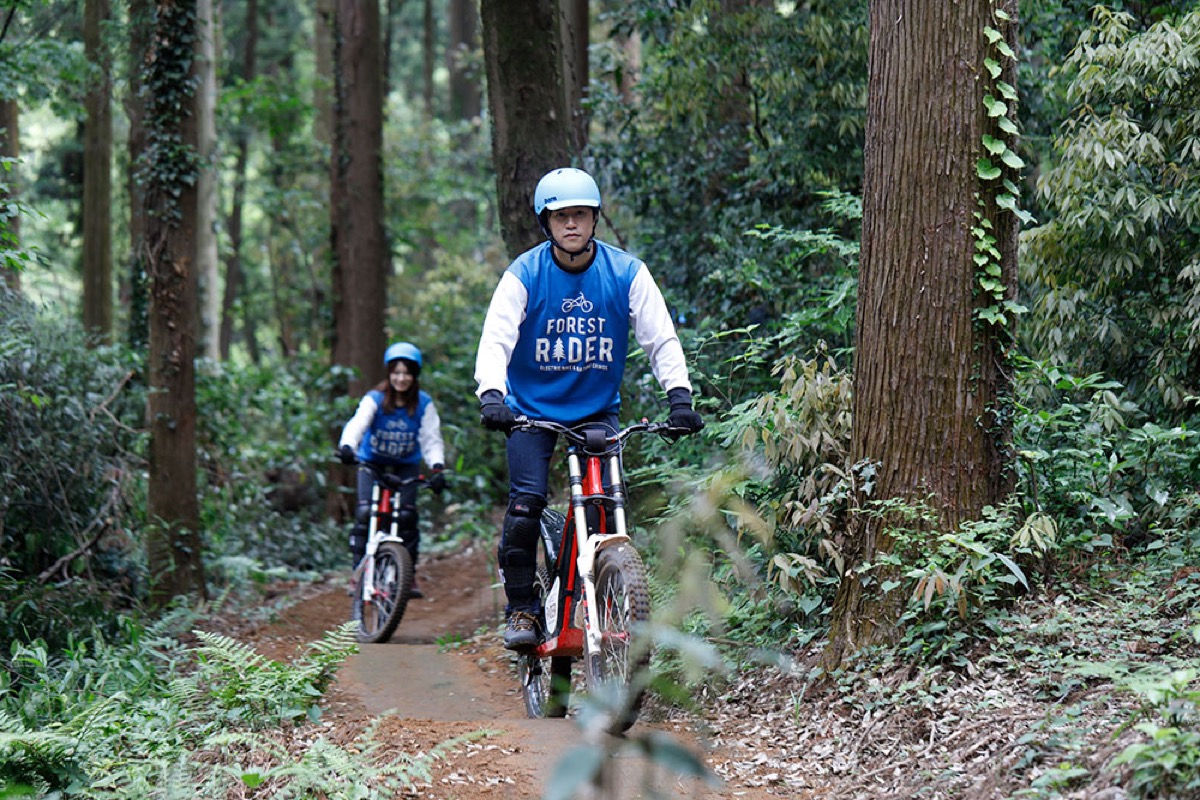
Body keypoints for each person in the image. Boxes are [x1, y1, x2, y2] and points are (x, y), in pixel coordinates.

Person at [474, 166, 704, 650]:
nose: (571, 224)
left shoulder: (625, 272)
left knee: (607, 507)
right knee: (525, 504)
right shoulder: (526, 274)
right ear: (546, 223)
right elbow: (496, 339)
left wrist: (679, 396)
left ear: (595, 218)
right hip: (529, 411)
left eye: (580, 214)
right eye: (561, 217)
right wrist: (492, 395)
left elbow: (660, 337)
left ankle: (606, 591)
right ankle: (523, 608)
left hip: (596, 410)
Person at [339, 341, 446, 598]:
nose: (401, 378)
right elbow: (358, 423)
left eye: (407, 373)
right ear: (389, 373)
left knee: (407, 517)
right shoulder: (375, 398)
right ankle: (358, 573)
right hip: (371, 462)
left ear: (414, 375)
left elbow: (431, 438)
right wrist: (347, 446)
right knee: (366, 514)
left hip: (405, 464)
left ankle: (405, 575)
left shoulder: (423, 404)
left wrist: (437, 468)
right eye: (396, 372)